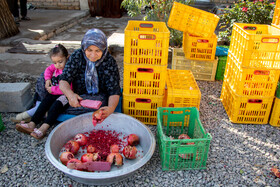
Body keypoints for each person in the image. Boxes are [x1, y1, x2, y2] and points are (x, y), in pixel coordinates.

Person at [59, 28, 121, 119]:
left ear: (103, 50)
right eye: (89, 50)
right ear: (84, 48)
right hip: (79, 95)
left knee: (100, 108)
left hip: (100, 97)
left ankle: (56, 112)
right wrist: (71, 95)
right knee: (57, 101)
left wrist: (111, 108)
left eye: (98, 51)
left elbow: (114, 90)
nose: (93, 55)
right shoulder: (77, 56)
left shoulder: (109, 61)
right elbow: (64, 80)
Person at [15, 44, 71, 139]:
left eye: (60, 62)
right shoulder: (56, 66)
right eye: (55, 62)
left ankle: (43, 128)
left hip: (65, 95)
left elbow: (69, 87)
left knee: (55, 107)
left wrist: (52, 89)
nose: (57, 65)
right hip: (54, 93)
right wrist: (48, 79)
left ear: (67, 57)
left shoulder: (69, 69)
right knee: (44, 103)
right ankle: (32, 124)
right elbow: (48, 70)